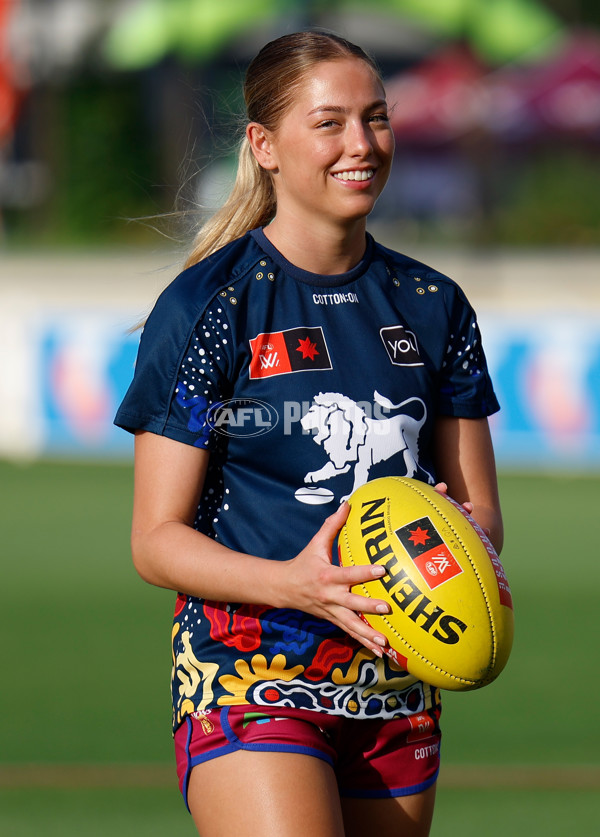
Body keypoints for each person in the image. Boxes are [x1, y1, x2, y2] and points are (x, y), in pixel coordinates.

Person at [115, 30, 503, 837]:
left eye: (376, 117)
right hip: (249, 671)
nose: (361, 143)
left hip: (395, 676)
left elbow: (482, 518)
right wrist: (296, 584)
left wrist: (446, 545)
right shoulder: (210, 308)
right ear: (264, 146)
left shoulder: (434, 304)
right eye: (329, 123)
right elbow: (155, 540)